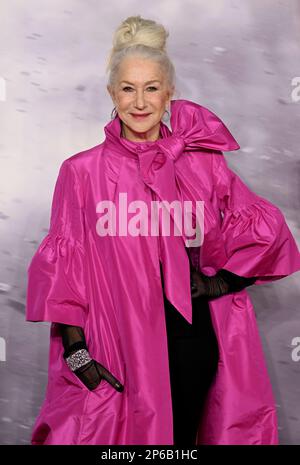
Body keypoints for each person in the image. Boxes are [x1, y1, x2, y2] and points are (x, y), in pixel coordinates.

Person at [26, 15, 300, 445]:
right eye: (128, 88)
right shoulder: (80, 172)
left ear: (169, 92)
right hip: (117, 345)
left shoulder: (202, 164)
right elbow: (66, 269)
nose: (140, 102)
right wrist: (78, 355)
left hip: (193, 344)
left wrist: (220, 282)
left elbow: (265, 232)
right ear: (111, 93)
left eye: (151, 87)